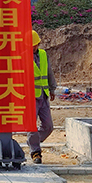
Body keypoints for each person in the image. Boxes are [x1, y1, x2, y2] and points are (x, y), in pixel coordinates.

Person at [27, 30, 57, 164]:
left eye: (35, 45)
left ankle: (32, 142)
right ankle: (35, 152)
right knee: (31, 126)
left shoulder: (44, 54)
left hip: (43, 95)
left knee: (48, 126)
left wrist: (52, 88)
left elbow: (49, 72)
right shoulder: (23, 57)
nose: (33, 47)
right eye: (31, 45)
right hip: (30, 96)